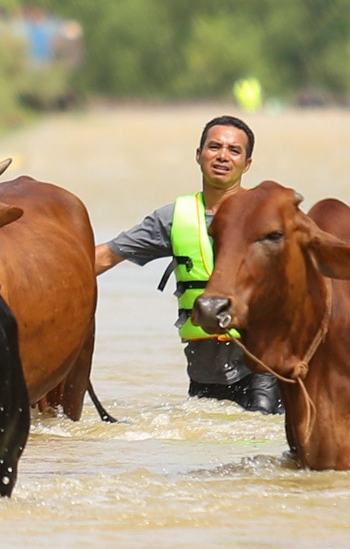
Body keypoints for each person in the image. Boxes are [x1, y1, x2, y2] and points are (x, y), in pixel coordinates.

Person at [94, 115, 282, 414]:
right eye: (214, 147)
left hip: (263, 367)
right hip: (203, 372)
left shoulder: (273, 217)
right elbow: (104, 257)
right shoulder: (172, 218)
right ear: (198, 155)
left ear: (247, 164)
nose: (222, 156)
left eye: (234, 151)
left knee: (258, 438)